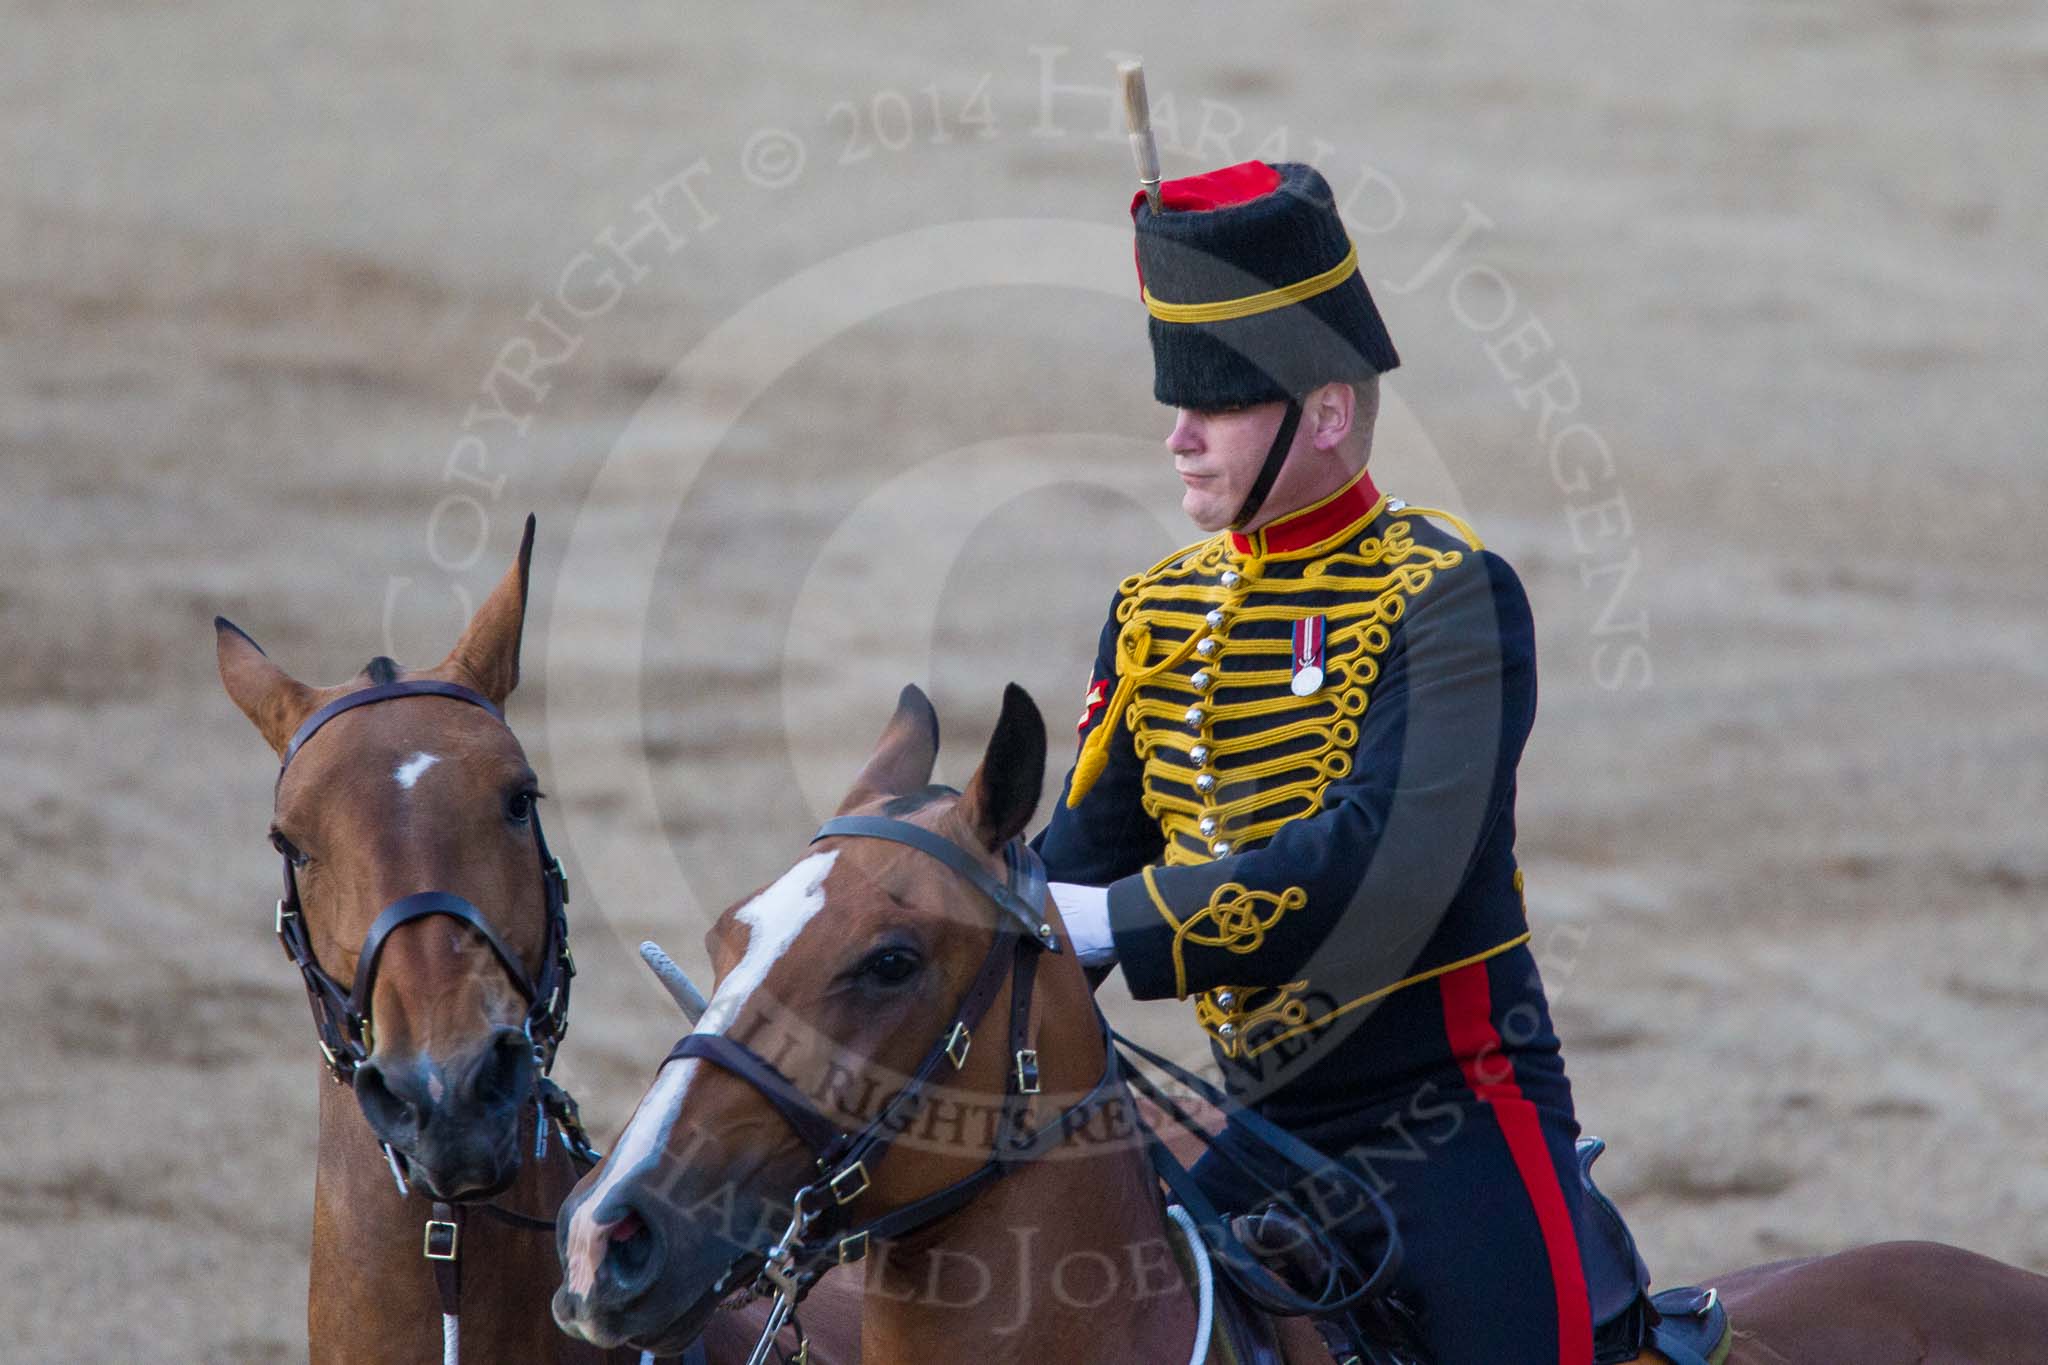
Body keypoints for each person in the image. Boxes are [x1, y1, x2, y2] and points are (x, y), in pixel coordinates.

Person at [1033, 158, 1594, 1364]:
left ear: (1325, 412)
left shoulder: (1448, 598)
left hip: (1447, 1126)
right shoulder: (1154, 612)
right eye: (1173, 402)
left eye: (1216, 403)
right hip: (1258, 1128)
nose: (1176, 438)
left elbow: (1382, 866)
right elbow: (1070, 860)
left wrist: (1104, 927)